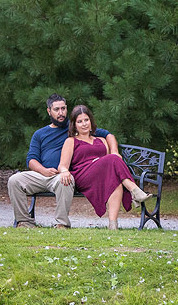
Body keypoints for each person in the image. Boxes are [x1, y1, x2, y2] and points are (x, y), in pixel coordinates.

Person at [8, 94, 111, 229]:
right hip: (41, 175)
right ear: (49, 111)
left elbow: (107, 134)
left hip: (61, 175)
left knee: (65, 180)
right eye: (56, 109)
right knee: (14, 180)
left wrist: (114, 152)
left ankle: (61, 223)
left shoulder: (76, 127)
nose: (61, 113)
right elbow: (31, 160)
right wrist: (43, 171)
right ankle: (25, 222)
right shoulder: (40, 134)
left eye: (63, 109)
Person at [58, 105, 152, 230]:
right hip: (82, 176)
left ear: (91, 121)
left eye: (86, 120)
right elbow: (62, 165)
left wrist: (108, 157)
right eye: (79, 121)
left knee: (115, 180)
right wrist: (64, 171)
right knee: (113, 158)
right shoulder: (71, 141)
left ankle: (113, 225)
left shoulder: (101, 140)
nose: (84, 124)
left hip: (99, 176)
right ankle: (135, 191)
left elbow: (109, 166)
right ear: (74, 125)